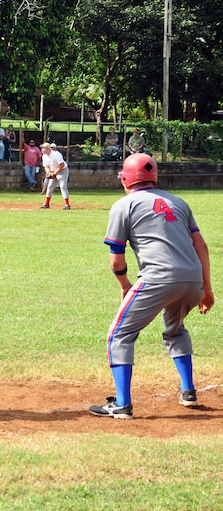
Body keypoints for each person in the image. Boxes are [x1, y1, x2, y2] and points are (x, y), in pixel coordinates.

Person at [90, 153, 214, 419]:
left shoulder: (124, 205)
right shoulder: (178, 202)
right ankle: (188, 391)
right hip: (192, 279)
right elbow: (200, 246)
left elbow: (116, 259)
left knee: (119, 335)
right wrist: (207, 288)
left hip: (158, 278)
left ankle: (122, 404)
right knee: (175, 329)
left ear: (125, 178)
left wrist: (124, 284)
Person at [39, 142, 70, 209]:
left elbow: (62, 165)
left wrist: (54, 173)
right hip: (53, 171)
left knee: (62, 186)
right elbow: (46, 166)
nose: (42, 150)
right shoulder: (44, 156)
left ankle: (67, 205)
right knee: (50, 187)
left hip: (62, 170)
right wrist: (48, 173)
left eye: (43, 148)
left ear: (48, 148)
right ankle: (46, 204)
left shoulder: (56, 154)